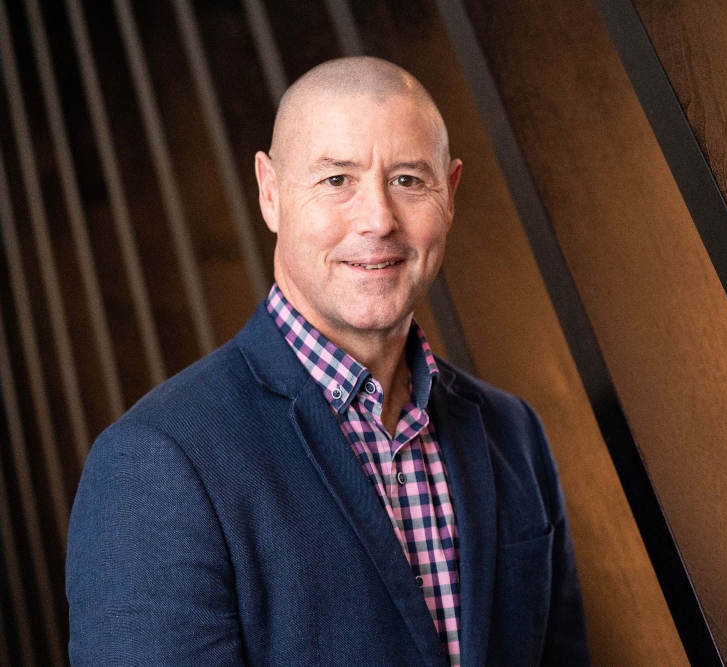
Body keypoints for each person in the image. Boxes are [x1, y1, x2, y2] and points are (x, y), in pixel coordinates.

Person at [66, 56, 590, 666]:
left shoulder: (514, 433)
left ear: (449, 195)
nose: (377, 220)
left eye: (407, 180)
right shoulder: (157, 462)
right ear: (270, 193)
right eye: (337, 180)